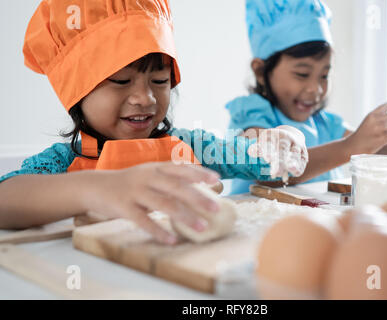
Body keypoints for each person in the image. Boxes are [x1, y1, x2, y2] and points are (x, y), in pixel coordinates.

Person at [0, 0, 308, 244]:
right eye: (121, 80)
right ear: (76, 93)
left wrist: (283, 138)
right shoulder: (64, 163)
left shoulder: (190, 148)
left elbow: (257, 157)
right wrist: (97, 189)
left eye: (159, 79)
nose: (145, 98)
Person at [226, 0, 387, 194]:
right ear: (260, 71)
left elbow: (381, 150)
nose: (315, 89)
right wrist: (350, 147)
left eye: (324, 75)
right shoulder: (251, 115)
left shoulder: (327, 124)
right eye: (302, 74)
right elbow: (268, 170)